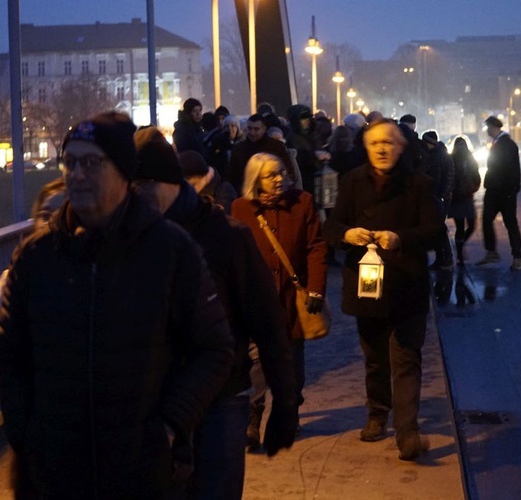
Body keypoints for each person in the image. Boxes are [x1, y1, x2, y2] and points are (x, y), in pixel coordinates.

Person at [0, 111, 235, 498]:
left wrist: (168, 426)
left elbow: (215, 349)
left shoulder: (171, 250)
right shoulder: (36, 256)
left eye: (91, 163)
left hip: (142, 474)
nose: (76, 174)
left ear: (123, 172)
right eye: (70, 162)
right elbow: (9, 353)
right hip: (53, 475)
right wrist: (25, 433)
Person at [133, 128, 298, 499]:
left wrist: (285, 401)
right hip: (159, 401)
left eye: (143, 185)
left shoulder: (226, 235)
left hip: (222, 398)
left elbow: (267, 320)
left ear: (169, 182)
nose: (135, 196)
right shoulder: (134, 236)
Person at [322, 119, 444, 460]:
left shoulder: (420, 184)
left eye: (389, 143)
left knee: (406, 360)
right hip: (367, 287)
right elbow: (331, 225)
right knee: (375, 359)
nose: (381, 149)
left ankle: (407, 432)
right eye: (374, 143)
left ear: (401, 146)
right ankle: (377, 414)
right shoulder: (351, 181)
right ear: (365, 146)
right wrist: (346, 235)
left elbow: (435, 232)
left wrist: (401, 238)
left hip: (406, 285)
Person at [231, 152, 328, 448]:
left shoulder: (303, 202)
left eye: (281, 173)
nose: (279, 179)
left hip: (291, 300)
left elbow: (315, 247)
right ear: (255, 180)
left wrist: (315, 289)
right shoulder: (241, 208)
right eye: (271, 175)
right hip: (256, 301)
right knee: (257, 361)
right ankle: (253, 418)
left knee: (291, 364)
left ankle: (289, 412)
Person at [0, 178, 66, 391]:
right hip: (38, 414)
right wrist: (8, 392)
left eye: (62, 212)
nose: (52, 221)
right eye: (44, 214)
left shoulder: (94, 271)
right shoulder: (18, 276)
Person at [477, 116, 521, 271]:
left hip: (504, 192)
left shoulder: (507, 145)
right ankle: (491, 252)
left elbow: (512, 170)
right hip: (495, 191)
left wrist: (512, 190)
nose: (487, 131)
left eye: (488, 127)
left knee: (510, 223)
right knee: (487, 220)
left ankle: (517, 257)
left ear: (494, 127)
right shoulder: (498, 143)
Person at [227, 113, 298, 192]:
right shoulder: (239, 149)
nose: (252, 132)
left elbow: (289, 172)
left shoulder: (277, 147)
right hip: (247, 194)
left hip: (273, 193)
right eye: (250, 129)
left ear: (264, 129)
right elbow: (231, 175)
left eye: (256, 129)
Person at [422, 130, 455, 269]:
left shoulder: (440, 155)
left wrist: (443, 195)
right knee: (436, 228)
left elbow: (449, 176)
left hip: (440, 198)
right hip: (438, 197)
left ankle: (447, 258)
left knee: (438, 229)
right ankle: (441, 258)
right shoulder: (438, 153)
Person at [448, 137, 481, 266]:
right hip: (466, 197)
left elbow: (448, 177)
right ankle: (460, 251)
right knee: (471, 225)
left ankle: (460, 251)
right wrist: (472, 189)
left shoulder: (451, 158)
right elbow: (476, 177)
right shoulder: (471, 158)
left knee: (460, 227)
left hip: (457, 198)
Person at [285, 104, 331, 196]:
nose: (306, 121)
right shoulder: (293, 137)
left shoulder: (314, 133)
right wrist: (314, 155)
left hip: (318, 178)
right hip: (304, 179)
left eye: (308, 118)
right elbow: (295, 158)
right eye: (303, 118)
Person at [179, 149, 237, 214]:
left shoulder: (224, 190)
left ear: (199, 176)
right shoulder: (185, 194)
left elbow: (221, 217)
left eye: (187, 178)